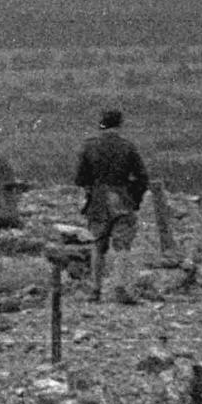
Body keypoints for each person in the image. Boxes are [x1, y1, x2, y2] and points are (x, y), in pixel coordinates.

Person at [74, 107, 152, 304]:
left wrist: (91, 189)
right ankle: (120, 287)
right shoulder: (128, 146)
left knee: (98, 246)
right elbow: (142, 177)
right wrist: (133, 197)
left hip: (98, 200)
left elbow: (80, 178)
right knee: (122, 245)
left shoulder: (89, 146)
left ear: (101, 124)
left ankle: (95, 290)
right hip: (122, 198)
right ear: (120, 124)